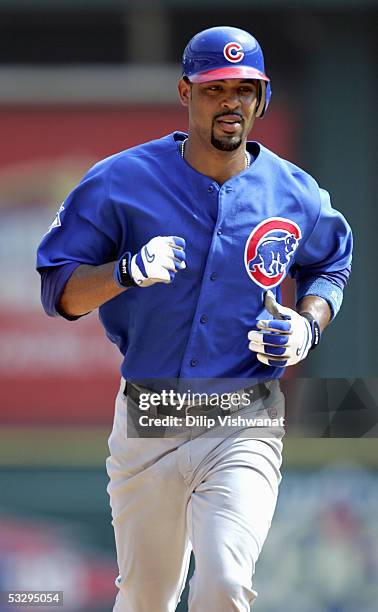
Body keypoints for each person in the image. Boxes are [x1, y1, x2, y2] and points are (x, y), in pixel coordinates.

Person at [36, 25, 352, 612]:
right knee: (146, 599)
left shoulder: (293, 192)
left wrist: (309, 324)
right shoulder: (120, 181)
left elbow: (332, 262)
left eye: (243, 88)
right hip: (149, 414)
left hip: (244, 414)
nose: (229, 101)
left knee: (226, 585)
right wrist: (124, 272)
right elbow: (61, 291)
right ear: (185, 92)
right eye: (214, 89)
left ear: (261, 99)